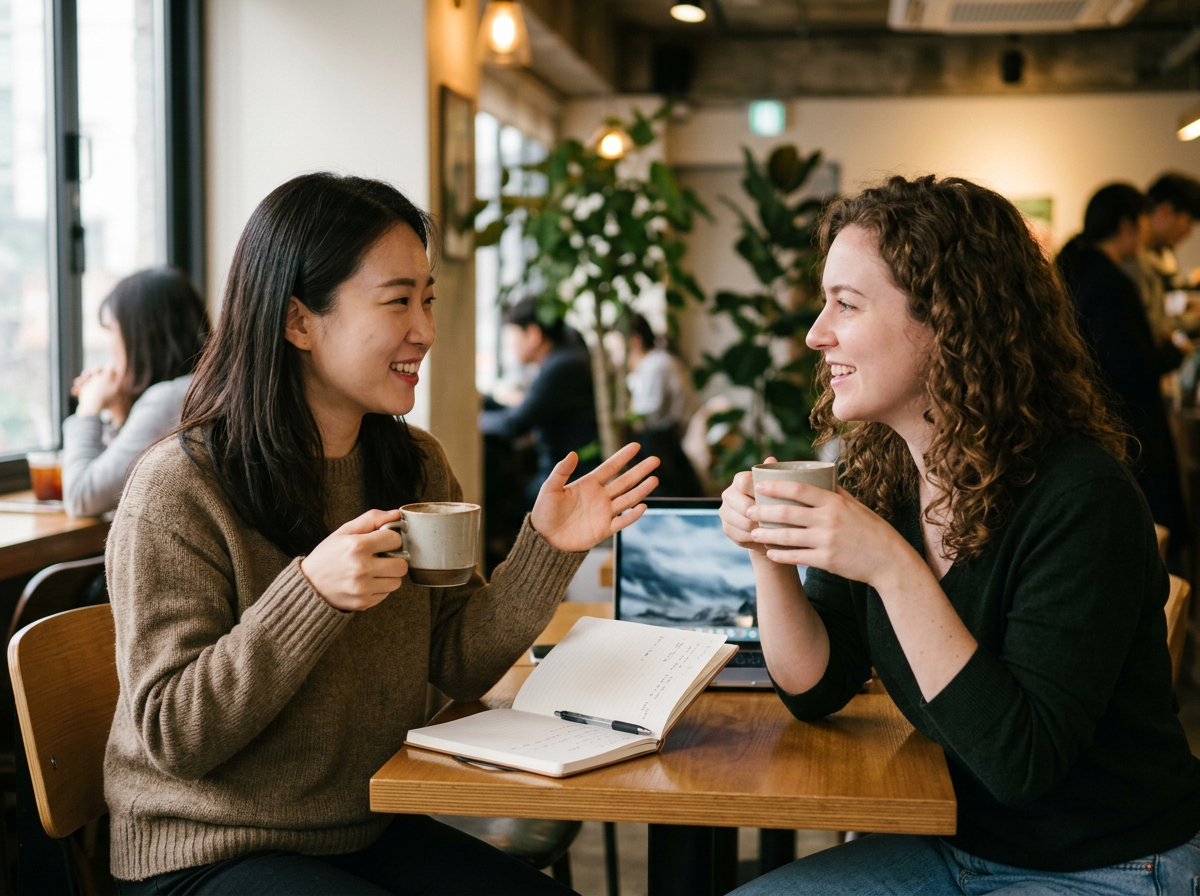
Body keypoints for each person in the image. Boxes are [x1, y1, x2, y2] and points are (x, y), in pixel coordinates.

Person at [103, 172, 659, 895]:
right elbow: (176, 735)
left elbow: (456, 662)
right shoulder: (181, 487)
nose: (424, 330)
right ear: (298, 321)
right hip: (206, 847)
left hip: (365, 826)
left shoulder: (413, 464)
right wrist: (309, 593)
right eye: (398, 301)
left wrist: (547, 549)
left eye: (427, 299)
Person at [720, 175, 1200, 895]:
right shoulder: (880, 474)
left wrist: (890, 564)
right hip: (951, 843)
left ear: (946, 318)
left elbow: (1020, 762)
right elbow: (816, 686)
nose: (816, 333)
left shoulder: (1080, 497)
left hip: (1108, 865)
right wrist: (769, 552)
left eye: (845, 304)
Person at [1058, 183, 1191, 565]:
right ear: (1126, 225)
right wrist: (1170, 352)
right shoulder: (1110, 281)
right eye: (1143, 222)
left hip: (1092, 418)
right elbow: (1130, 363)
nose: (1148, 232)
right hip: (1129, 422)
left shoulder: (1073, 268)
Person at [61, 267, 210, 516]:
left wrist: (88, 408)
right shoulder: (201, 387)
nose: (109, 342)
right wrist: (121, 415)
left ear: (138, 333)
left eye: (110, 329)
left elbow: (81, 497)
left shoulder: (169, 399)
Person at [480, 297, 600, 506]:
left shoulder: (561, 366)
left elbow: (516, 424)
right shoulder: (564, 356)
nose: (510, 345)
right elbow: (526, 411)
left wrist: (473, 419)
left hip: (570, 472)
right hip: (565, 465)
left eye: (512, 336)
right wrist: (486, 402)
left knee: (507, 506)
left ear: (534, 335)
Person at [625, 312, 702, 497]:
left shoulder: (655, 365)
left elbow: (649, 412)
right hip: (665, 437)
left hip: (661, 438)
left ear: (634, 339)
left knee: (664, 492)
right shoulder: (655, 361)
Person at [1127, 172, 1200, 339]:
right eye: (1188, 221)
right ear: (1166, 210)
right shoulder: (1136, 257)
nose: (1188, 232)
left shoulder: (1154, 256)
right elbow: (1152, 326)